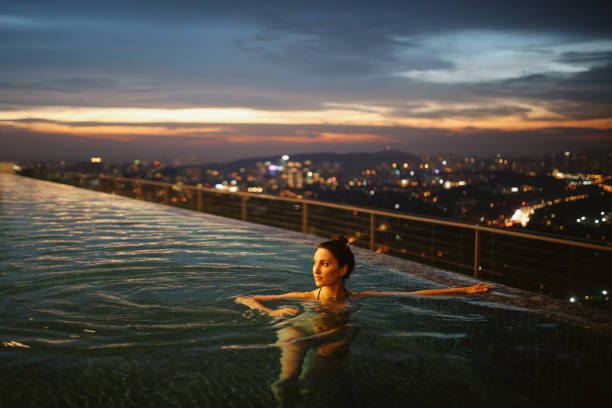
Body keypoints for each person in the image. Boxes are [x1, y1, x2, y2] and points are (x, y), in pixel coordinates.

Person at [235, 235, 492, 403]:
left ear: (343, 269)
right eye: (315, 262)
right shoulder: (307, 296)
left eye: (324, 263)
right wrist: (274, 313)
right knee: (285, 382)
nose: (315, 269)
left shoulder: (357, 297)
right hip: (297, 333)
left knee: (311, 386)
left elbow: (415, 292)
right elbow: (245, 297)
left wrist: (465, 290)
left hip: (332, 341)